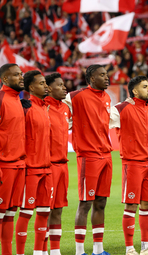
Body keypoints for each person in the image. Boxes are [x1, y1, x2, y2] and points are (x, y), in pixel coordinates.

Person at [110, 76, 148, 255]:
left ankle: (146, 247)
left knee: (147, 204)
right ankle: (129, 248)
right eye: (145, 87)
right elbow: (101, 122)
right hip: (132, 164)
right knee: (131, 205)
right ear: (134, 91)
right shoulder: (120, 109)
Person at [64, 65, 112, 255]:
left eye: (106, 74)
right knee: (85, 203)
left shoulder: (107, 97)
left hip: (106, 155)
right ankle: (79, 251)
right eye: (102, 75)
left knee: (101, 202)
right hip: (88, 156)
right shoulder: (75, 97)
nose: (106, 78)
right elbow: (59, 112)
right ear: (92, 78)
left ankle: (98, 250)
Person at [15, 70, 52, 255]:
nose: (46, 86)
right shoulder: (26, 108)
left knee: (45, 212)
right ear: (31, 87)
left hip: (47, 168)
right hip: (30, 169)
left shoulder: (45, 107)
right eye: (42, 83)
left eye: (46, 83)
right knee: (27, 212)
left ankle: (39, 252)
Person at [0, 64, 26, 255]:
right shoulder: (1, 99)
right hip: (4, 166)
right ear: (5, 79)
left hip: (18, 165)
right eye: (16, 75)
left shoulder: (18, 99)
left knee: (10, 213)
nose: (21, 77)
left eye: (21, 74)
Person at [44, 73, 71, 255]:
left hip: (63, 165)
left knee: (58, 209)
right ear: (49, 88)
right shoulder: (42, 107)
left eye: (64, 85)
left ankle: (55, 251)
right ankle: (41, 250)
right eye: (60, 85)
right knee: (45, 210)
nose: (64, 88)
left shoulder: (65, 108)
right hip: (48, 166)